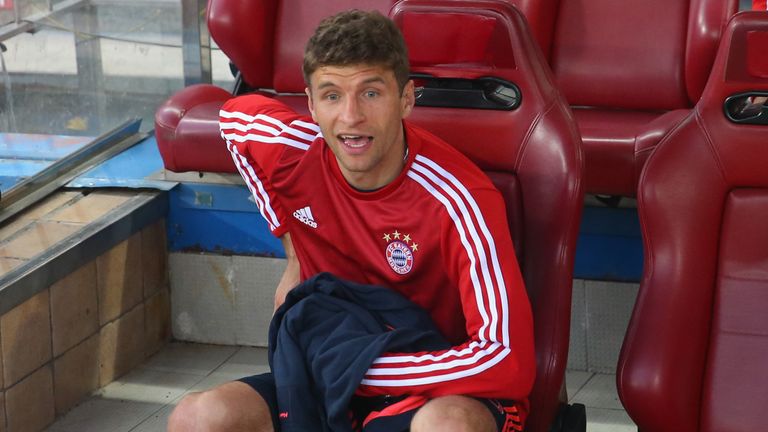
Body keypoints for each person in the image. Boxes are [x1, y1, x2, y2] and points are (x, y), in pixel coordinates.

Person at [168, 9, 535, 432]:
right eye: (331, 95)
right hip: (333, 378)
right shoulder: (293, 150)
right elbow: (236, 121)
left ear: (407, 99)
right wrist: (291, 249)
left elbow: (508, 360)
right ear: (311, 104)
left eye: (371, 93)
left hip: (440, 388)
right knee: (197, 418)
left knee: (447, 427)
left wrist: (359, 371)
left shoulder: (460, 199)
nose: (350, 116)